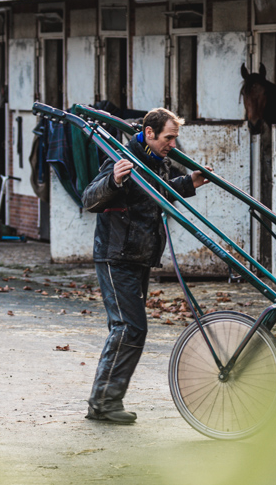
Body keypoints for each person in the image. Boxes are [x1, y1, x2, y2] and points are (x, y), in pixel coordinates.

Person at [81, 108, 209, 424]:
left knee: (129, 329)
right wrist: (112, 180)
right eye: (169, 137)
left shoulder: (156, 161)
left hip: (138, 256)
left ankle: (106, 401)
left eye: (175, 137)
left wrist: (190, 182)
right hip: (116, 256)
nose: (173, 144)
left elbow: (157, 194)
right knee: (129, 327)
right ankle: (102, 403)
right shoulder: (122, 157)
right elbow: (89, 199)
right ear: (149, 133)